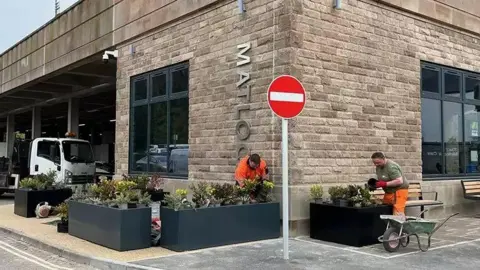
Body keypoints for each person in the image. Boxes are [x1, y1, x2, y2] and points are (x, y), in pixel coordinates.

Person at [370, 152, 409, 216]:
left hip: (399, 190)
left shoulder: (391, 167)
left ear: (384, 159)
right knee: (385, 209)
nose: (376, 165)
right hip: (389, 191)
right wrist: (375, 185)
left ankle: (398, 225)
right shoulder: (378, 167)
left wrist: (384, 184)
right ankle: (386, 225)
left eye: (378, 162)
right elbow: (383, 179)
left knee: (397, 211)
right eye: (374, 163)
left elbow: (399, 181)